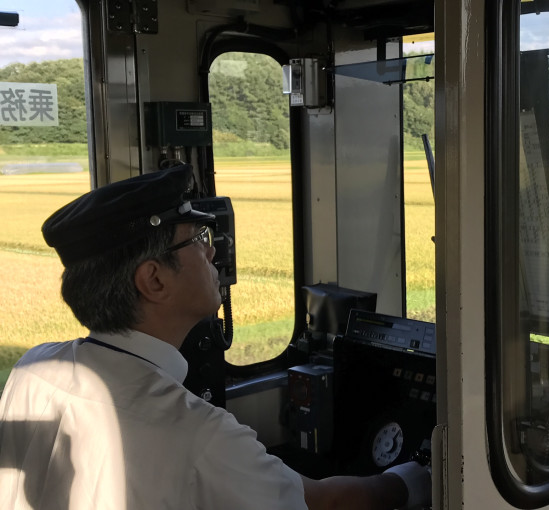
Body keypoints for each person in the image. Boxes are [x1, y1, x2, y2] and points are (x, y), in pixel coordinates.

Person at [0, 165, 431, 510]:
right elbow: (320, 503)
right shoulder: (198, 434)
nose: (211, 251)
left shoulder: (33, 369)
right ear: (154, 280)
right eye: (197, 240)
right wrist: (415, 479)